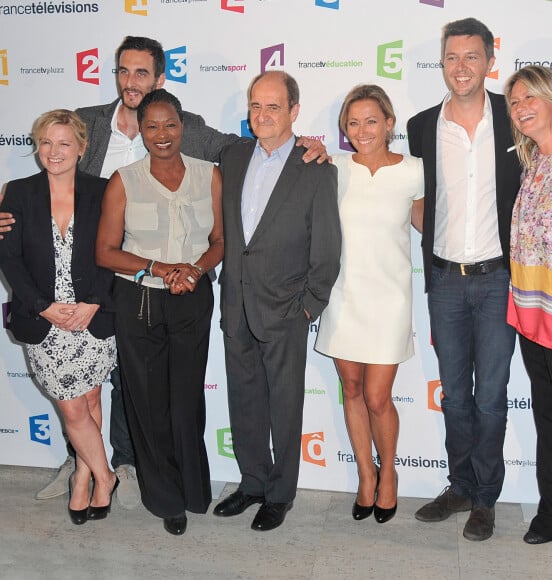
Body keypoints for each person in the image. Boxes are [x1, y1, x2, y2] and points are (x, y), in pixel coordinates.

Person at [0, 35, 326, 507]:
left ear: (159, 78)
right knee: (95, 394)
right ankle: (87, 468)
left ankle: (125, 466)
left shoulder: (188, 129)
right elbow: (48, 174)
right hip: (104, 280)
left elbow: (248, 146)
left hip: (144, 292)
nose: (130, 82)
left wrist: (305, 146)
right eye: (123, 71)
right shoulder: (86, 124)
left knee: (139, 393)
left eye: (141, 73)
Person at [407, 17, 521, 541]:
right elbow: (406, 192)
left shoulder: (514, 118)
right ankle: (460, 486)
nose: (461, 67)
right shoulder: (421, 125)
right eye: (452, 57)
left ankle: (486, 498)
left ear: (489, 60)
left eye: (472, 57)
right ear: (442, 61)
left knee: (491, 396)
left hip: (500, 279)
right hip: (446, 281)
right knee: (454, 393)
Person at [213, 71, 341, 532]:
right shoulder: (231, 156)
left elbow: (327, 247)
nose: (262, 115)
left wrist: (309, 304)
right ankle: (251, 482)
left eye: (272, 107)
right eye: (255, 106)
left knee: (285, 405)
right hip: (235, 305)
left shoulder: (317, 168)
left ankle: (280, 494)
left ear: (293, 112)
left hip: (287, 308)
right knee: (244, 400)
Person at [95, 88, 223, 536]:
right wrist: (158, 267)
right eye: (152, 126)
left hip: (192, 299)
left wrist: (195, 269)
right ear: (142, 131)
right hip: (140, 302)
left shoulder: (210, 175)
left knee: (186, 400)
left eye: (170, 124)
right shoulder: (123, 180)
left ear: (183, 126)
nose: (162, 134)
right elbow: (107, 252)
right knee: (148, 404)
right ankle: (166, 499)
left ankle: (192, 489)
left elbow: (220, 242)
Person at [0, 110, 118, 525]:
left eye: (64, 143)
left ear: (82, 149)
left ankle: (84, 477)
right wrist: (42, 306)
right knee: (73, 410)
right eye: (46, 142)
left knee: (90, 398)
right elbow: (9, 259)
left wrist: (94, 302)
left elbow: (115, 251)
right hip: (44, 320)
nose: (54, 152)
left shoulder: (104, 191)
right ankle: (107, 476)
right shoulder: (17, 192)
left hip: (93, 316)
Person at [315, 84, 423, 524]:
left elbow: (430, 228)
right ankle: (365, 476)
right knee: (352, 389)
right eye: (353, 122)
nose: (362, 130)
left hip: (390, 298)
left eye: (371, 121)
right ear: (344, 128)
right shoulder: (333, 169)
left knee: (379, 396)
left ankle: (390, 475)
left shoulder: (415, 170)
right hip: (343, 295)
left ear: (390, 123)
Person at [504, 65, 552, 545]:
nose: (522, 108)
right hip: (533, 314)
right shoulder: (533, 162)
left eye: (531, 97)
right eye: (514, 102)